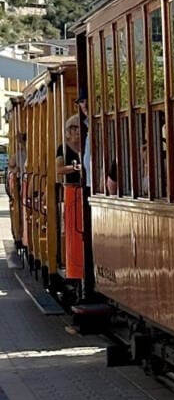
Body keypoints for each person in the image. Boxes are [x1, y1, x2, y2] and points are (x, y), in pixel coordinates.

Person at [55, 116, 86, 279]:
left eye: (78, 128)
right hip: (71, 193)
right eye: (73, 129)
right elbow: (58, 169)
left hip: (85, 190)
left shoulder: (86, 145)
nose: (76, 132)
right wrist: (75, 168)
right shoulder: (63, 149)